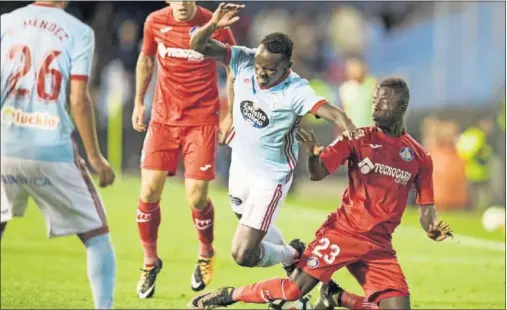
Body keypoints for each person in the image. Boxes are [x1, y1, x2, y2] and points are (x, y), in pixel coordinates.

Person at [187, 77, 454, 310]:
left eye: (384, 102)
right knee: (294, 290)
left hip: (379, 246)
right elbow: (318, 173)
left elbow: (426, 207)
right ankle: (227, 296)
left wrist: (431, 227)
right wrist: (314, 157)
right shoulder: (356, 137)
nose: (376, 106)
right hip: (343, 233)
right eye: (375, 100)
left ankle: (336, 297)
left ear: (402, 108)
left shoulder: (419, 157)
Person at [189, 2, 356, 282]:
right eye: (259, 65)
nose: (260, 72)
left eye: (269, 69)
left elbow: (329, 110)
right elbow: (197, 46)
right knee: (247, 219)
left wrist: (348, 125)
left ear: (287, 67)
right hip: (241, 165)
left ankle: (293, 255)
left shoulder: (295, 89)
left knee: (243, 254)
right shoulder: (243, 58)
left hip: (271, 177)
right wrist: (213, 25)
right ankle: (295, 258)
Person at [1, 1, 116, 309]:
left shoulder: (6, 23)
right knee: (97, 237)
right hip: (51, 149)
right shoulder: (79, 31)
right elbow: (78, 100)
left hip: (5, 145)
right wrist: (95, 157)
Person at [132, 1, 236, 298]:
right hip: (163, 119)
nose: (181, 4)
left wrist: (231, 114)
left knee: (197, 196)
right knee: (149, 191)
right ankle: (150, 262)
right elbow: (146, 59)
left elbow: (234, 64)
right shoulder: (155, 21)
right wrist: (140, 101)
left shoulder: (213, 21)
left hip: (201, 120)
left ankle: (205, 253)